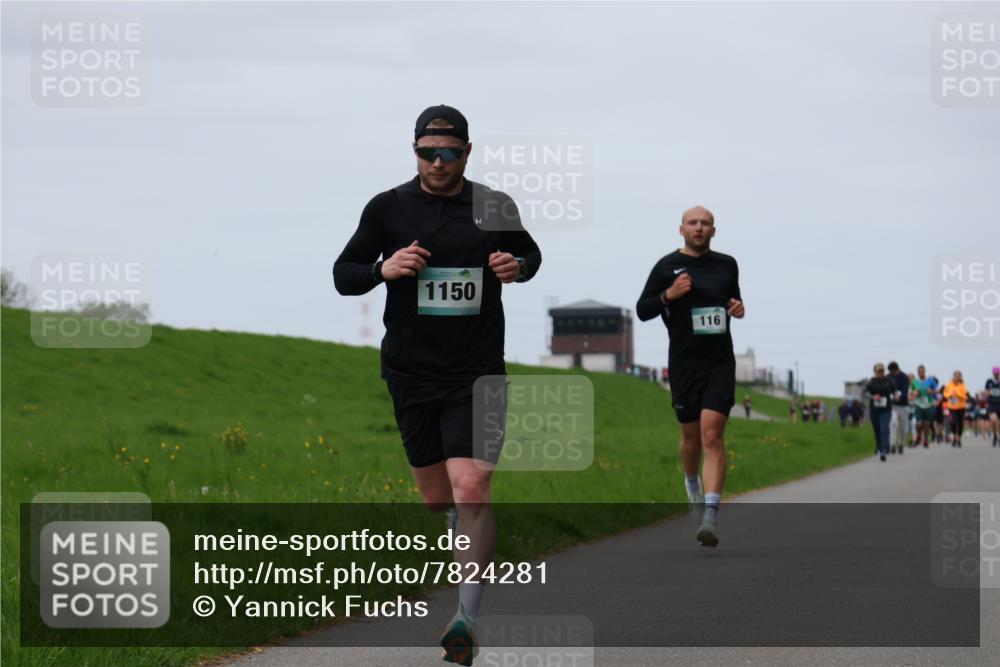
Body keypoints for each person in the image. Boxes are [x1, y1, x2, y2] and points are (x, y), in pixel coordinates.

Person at [333, 105, 542, 666]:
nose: (438, 162)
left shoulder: (494, 206)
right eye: (428, 152)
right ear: (415, 152)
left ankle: (465, 619)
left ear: (467, 152)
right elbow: (343, 275)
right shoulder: (388, 207)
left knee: (472, 486)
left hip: (478, 371)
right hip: (411, 372)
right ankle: (455, 522)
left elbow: (531, 253)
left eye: (449, 152)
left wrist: (517, 267)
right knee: (437, 498)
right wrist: (382, 269)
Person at [636, 205, 745, 548]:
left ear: (714, 230)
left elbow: (733, 301)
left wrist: (738, 307)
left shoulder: (727, 264)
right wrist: (668, 295)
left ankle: (710, 516)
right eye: (693, 223)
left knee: (712, 435)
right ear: (681, 230)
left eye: (706, 223)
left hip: (719, 362)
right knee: (691, 439)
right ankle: (691, 483)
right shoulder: (666, 266)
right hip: (684, 364)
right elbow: (642, 309)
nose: (699, 228)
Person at [865, 363, 895, 461]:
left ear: (884, 371)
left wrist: (896, 395)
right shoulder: (871, 382)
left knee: (884, 428)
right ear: (875, 372)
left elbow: (894, 391)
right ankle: (879, 447)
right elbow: (865, 393)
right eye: (878, 371)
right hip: (874, 410)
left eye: (882, 371)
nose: (880, 373)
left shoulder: (889, 381)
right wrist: (873, 397)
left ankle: (884, 449)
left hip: (886, 410)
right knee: (877, 430)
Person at [909, 365, 936, 448]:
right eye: (919, 372)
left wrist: (931, 391)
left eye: (922, 372)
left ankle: (926, 439)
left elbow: (936, 390)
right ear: (917, 373)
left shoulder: (930, 380)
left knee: (927, 424)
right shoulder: (915, 382)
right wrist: (914, 393)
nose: (921, 373)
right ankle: (919, 435)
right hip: (919, 404)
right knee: (919, 423)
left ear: (925, 372)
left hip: (929, 404)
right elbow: (911, 393)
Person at [942, 370, 970, 447]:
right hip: (952, 406)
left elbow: (966, 397)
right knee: (953, 421)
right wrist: (950, 395)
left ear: (960, 377)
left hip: (961, 407)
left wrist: (957, 394)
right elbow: (945, 394)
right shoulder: (949, 384)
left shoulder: (962, 386)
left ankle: (959, 438)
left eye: (958, 376)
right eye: (955, 376)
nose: (957, 378)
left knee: (960, 423)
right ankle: (954, 436)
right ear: (953, 376)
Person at [987, 366, 1000, 447]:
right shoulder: (989, 382)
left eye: (997, 373)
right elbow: (986, 391)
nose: (996, 375)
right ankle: (995, 435)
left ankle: (998, 436)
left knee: (998, 422)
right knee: (993, 420)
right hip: (992, 404)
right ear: (993, 373)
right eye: (995, 373)